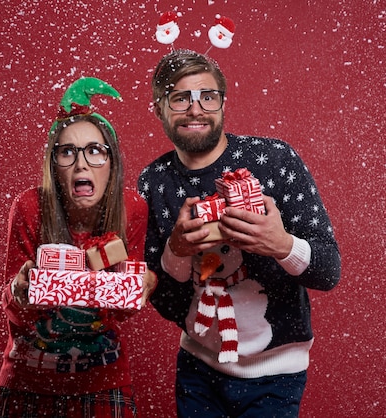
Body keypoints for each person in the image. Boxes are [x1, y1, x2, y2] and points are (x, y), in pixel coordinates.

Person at [138, 49, 341, 417]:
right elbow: (161, 297)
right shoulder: (153, 183)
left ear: (222, 103)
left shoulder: (276, 160)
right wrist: (177, 250)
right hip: (197, 369)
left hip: (277, 371)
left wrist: (280, 245)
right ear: (159, 108)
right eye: (180, 97)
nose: (196, 109)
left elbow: (328, 271)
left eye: (207, 96)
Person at [0, 77, 156, 418]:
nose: (82, 163)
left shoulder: (132, 210)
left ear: (113, 164)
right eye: (67, 151)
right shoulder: (30, 207)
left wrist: (144, 285)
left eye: (95, 151)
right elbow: (12, 307)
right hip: (29, 381)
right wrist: (21, 290)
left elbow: (124, 309)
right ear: (54, 165)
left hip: (104, 380)